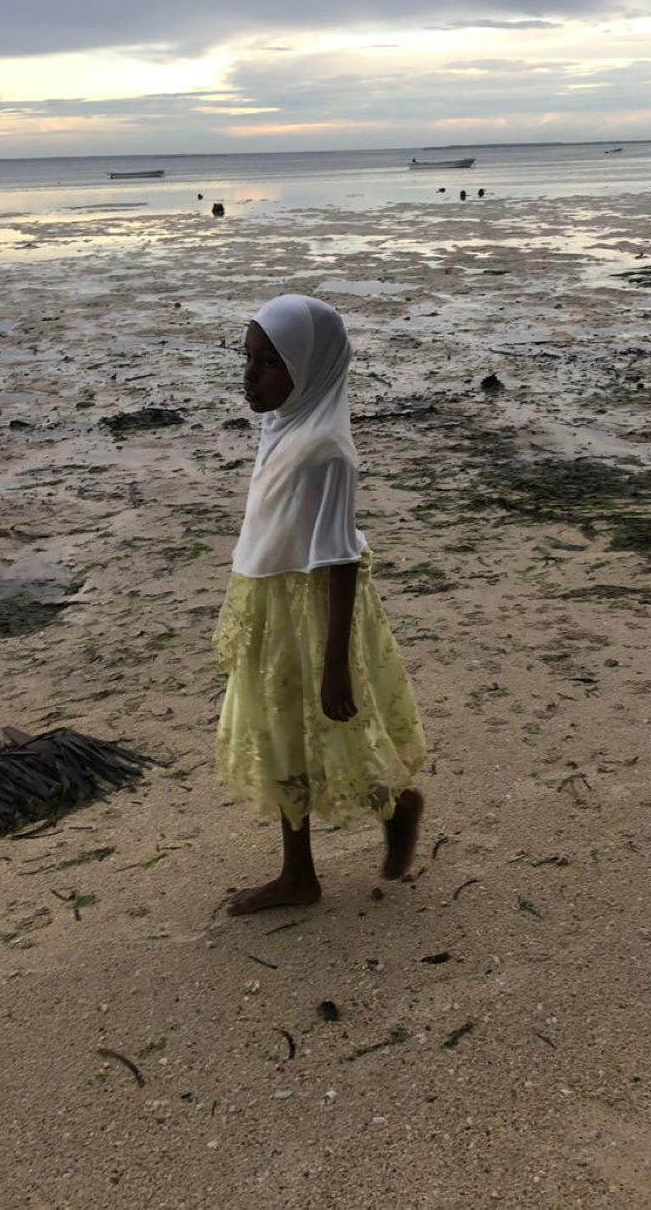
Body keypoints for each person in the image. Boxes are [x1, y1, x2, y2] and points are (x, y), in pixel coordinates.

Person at [214, 294, 427, 916]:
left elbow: (338, 557)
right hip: (267, 600)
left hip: (313, 615)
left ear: (310, 369)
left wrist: (335, 660)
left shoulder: (328, 451)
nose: (250, 377)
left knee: (339, 726)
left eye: (268, 364)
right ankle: (298, 875)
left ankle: (399, 802)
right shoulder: (282, 424)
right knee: (279, 735)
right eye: (247, 359)